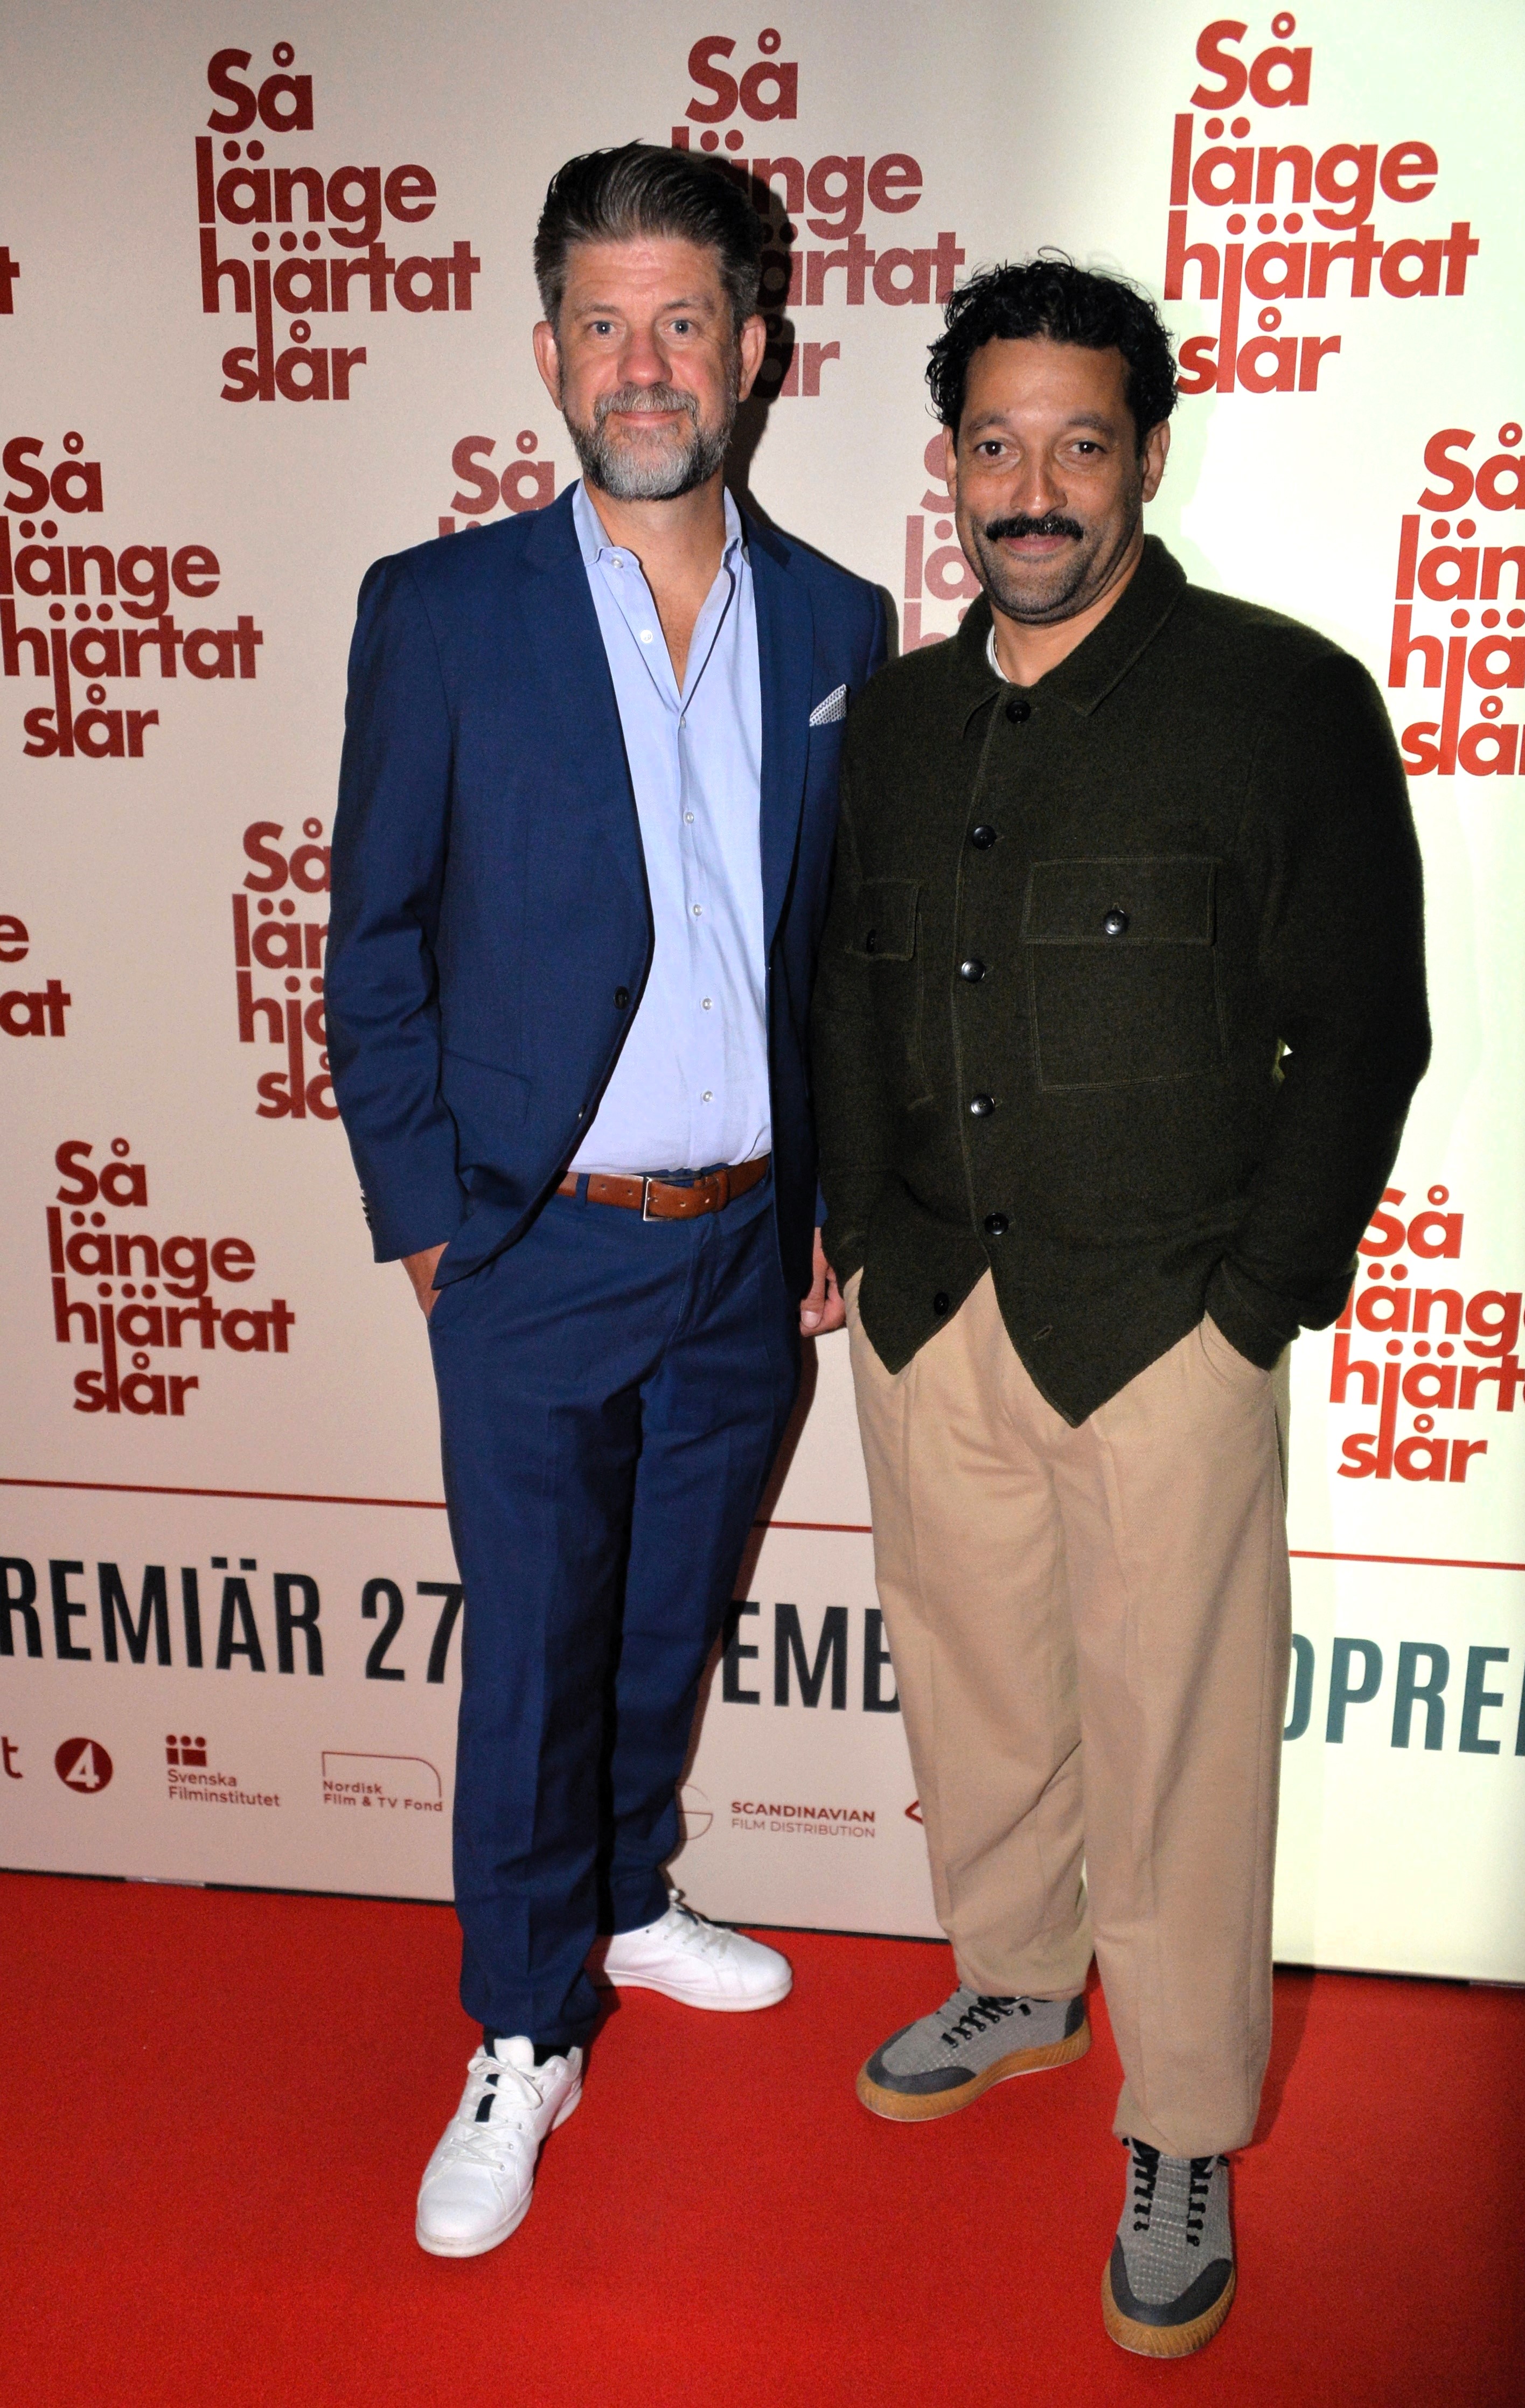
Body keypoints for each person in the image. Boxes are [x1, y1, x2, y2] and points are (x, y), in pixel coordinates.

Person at [811, 255, 1427, 2357]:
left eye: (1080, 444)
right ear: (949, 462)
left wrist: (1257, 1303)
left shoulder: (1281, 700)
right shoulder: (896, 723)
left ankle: (1181, 2116)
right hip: (936, 1310)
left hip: (1167, 1322)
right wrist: (863, 1237)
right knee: (975, 1688)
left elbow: (1364, 1030)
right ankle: (1017, 1978)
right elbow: (846, 991)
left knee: (1179, 1754)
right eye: (997, 444)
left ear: (1150, 456)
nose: (1035, 489)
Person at [326, 141, 886, 2259]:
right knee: (536, 1651)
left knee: (671, 1612)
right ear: (549, 351)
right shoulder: (441, 611)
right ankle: (522, 2021)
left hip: (746, 1236)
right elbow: (374, 938)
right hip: (534, 1238)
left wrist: (828, 1195)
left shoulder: (837, 620)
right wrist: (429, 1215)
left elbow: (831, 946)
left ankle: (631, 1890)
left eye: (684, 324)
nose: (644, 366)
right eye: (604, 325)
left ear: (753, 350)